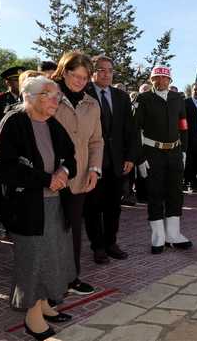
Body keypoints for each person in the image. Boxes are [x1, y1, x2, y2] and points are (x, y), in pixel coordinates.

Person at [0, 75, 77, 340]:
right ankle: (32, 316)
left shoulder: (53, 123)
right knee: (33, 259)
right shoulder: (14, 122)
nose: (56, 101)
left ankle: (45, 304)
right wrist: (46, 179)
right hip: (27, 207)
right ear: (30, 97)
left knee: (54, 256)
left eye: (57, 97)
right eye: (50, 96)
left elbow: (70, 155)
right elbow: (0, 166)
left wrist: (63, 170)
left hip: (55, 203)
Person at [53, 52, 103, 296]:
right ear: (64, 71)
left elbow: (96, 141)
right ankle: (48, 284)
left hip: (80, 176)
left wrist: (94, 168)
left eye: (85, 78)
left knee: (72, 228)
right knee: (50, 231)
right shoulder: (49, 96)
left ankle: (71, 278)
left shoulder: (92, 104)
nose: (80, 82)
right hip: (49, 177)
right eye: (76, 76)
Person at [83, 55, 137, 265]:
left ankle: (111, 243)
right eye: (102, 70)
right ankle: (97, 247)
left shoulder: (121, 97)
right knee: (93, 207)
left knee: (114, 207)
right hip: (92, 163)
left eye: (110, 70)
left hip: (117, 163)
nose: (106, 74)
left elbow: (131, 131)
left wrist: (131, 157)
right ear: (93, 72)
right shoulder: (84, 94)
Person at [134, 66, 191, 254]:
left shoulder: (178, 99)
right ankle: (158, 235)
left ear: (170, 81)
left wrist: (183, 150)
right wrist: (140, 158)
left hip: (174, 153)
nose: (160, 82)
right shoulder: (143, 99)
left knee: (175, 192)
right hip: (153, 153)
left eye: (164, 78)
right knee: (155, 193)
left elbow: (183, 125)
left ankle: (173, 234)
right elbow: (135, 130)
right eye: (156, 78)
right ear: (151, 81)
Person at [0, 66, 25, 230]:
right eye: (15, 80)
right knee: (7, 189)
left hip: (25, 152)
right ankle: (7, 221)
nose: (19, 83)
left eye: (21, 79)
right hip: (7, 151)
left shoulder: (29, 98)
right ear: (8, 82)